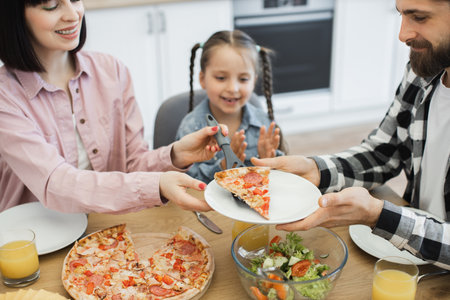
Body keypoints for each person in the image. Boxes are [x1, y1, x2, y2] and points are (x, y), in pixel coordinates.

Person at [254, 0, 450, 270]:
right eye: (402, 15)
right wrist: (316, 170)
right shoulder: (424, 71)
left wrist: (381, 216)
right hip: (415, 262)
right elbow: (384, 151)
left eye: (419, 17)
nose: (402, 34)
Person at [0, 0, 228, 214]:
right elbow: (55, 182)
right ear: (15, 16)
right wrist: (155, 185)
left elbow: (133, 163)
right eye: (51, 5)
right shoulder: (5, 96)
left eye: (76, 0)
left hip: (106, 229)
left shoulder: (111, 70)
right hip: (32, 241)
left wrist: (176, 154)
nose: (73, 14)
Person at [175, 30, 285, 183]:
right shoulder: (191, 127)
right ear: (202, 78)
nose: (233, 88)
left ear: (254, 81)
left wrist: (269, 163)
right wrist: (223, 166)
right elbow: (186, 185)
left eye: (243, 79)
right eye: (221, 78)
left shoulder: (262, 123)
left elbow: (279, 179)